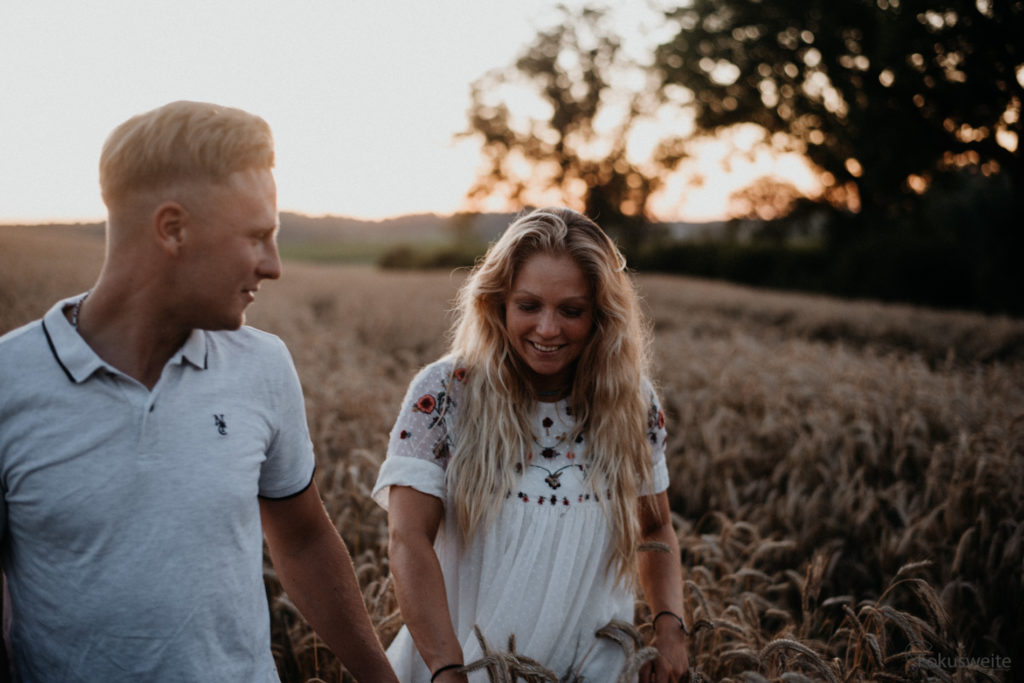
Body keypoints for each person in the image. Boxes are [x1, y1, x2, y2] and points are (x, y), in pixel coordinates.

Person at [0, 100, 397, 682]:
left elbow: (305, 541)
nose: (274, 266)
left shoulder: (263, 366)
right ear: (173, 229)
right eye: (258, 237)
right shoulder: (10, 382)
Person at [372, 208, 691, 682]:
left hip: (594, 672)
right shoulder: (446, 394)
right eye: (528, 306)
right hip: (465, 671)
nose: (547, 329)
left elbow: (656, 525)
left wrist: (670, 626)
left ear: (601, 316)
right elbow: (408, 538)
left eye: (571, 311)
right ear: (498, 303)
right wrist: (446, 668)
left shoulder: (630, 402)